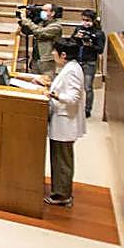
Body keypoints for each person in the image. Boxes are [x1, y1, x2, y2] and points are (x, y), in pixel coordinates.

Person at [43, 39, 86, 207]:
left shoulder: (73, 71)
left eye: (55, 51)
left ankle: (62, 195)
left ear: (64, 55)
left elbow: (73, 98)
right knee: (60, 158)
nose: (53, 54)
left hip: (65, 121)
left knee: (62, 160)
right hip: (61, 120)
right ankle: (60, 191)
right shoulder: (70, 68)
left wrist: (54, 95)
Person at [71, 9, 106, 118]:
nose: (85, 22)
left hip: (89, 62)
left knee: (88, 87)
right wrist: (77, 38)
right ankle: (74, 106)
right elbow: (72, 42)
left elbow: (100, 50)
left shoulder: (98, 33)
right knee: (75, 85)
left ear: (93, 20)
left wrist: (90, 44)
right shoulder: (79, 29)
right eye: (83, 20)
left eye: (87, 20)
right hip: (78, 60)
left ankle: (87, 109)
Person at [18, 4, 63, 74]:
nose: (42, 12)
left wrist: (28, 22)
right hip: (35, 58)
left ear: (52, 13)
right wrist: (24, 21)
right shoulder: (41, 23)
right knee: (34, 81)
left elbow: (40, 32)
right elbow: (28, 32)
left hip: (46, 60)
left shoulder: (56, 26)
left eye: (45, 10)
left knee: (46, 81)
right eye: (42, 10)